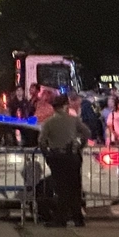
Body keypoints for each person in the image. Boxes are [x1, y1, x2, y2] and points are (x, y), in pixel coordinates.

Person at [38, 94, 91, 227]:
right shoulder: (73, 120)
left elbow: (42, 142)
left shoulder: (48, 122)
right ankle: (78, 218)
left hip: (57, 158)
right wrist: (80, 146)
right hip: (72, 156)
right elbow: (87, 133)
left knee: (61, 189)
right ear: (66, 106)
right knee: (75, 188)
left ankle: (60, 219)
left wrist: (47, 156)